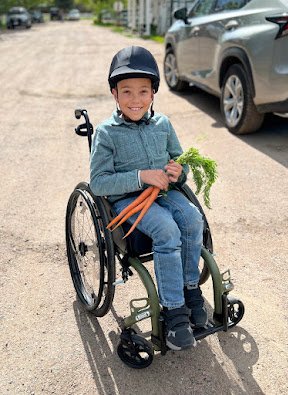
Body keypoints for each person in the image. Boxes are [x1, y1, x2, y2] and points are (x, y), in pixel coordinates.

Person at [90, 46, 207, 351]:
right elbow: (98, 182)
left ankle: (190, 289)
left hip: (164, 194)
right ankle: (174, 311)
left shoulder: (163, 125)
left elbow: (177, 166)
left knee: (194, 218)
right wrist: (141, 176)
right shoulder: (107, 133)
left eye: (143, 91)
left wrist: (176, 171)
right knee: (167, 229)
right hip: (127, 201)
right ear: (115, 94)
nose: (135, 99)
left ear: (153, 93)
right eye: (126, 92)